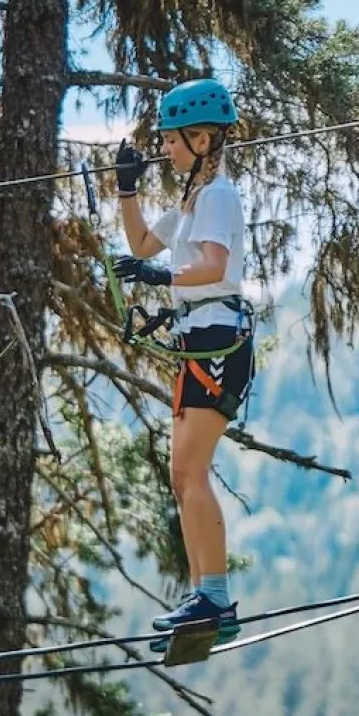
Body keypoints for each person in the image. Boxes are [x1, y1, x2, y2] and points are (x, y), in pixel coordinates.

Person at [111, 77, 255, 639]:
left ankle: (214, 600)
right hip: (200, 341)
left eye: (173, 138)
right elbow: (143, 245)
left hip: (217, 337)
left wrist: (159, 276)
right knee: (182, 474)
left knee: (191, 471)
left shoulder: (217, 196)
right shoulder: (192, 201)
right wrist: (127, 190)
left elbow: (214, 266)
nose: (166, 148)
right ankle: (204, 596)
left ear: (202, 139)